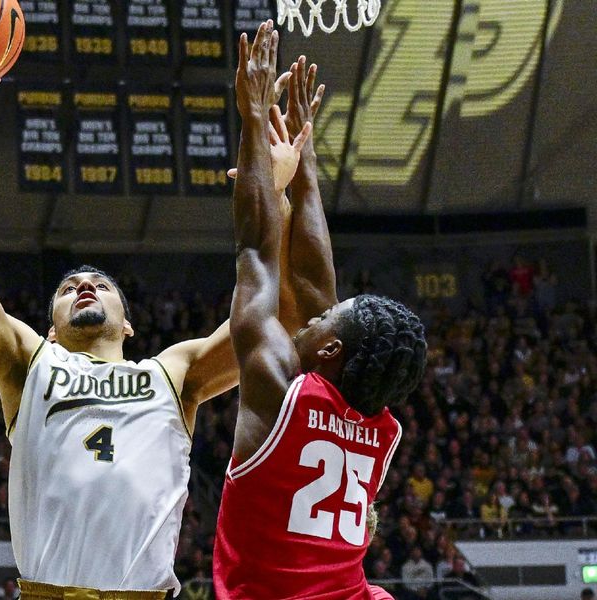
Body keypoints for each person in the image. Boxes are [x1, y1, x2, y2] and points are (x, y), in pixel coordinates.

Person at [0, 35, 300, 596]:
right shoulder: (26, 362)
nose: (85, 284)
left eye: (100, 284)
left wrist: (276, 193)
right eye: (69, 286)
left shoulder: (174, 372)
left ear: (130, 323)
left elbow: (281, 320)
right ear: (51, 326)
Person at [213, 22, 428, 600]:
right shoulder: (381, 429)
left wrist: (254, 118)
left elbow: (256, 249)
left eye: (320, 324)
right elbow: (311, 285)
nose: (310, 318)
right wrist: (302, 159)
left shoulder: (279, 389)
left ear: (330, 350)